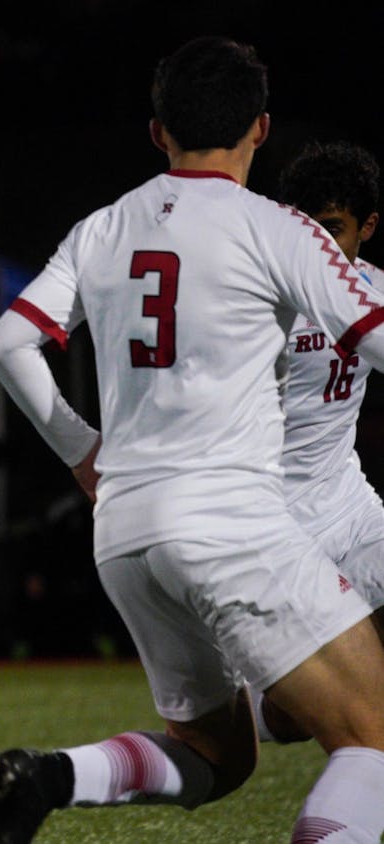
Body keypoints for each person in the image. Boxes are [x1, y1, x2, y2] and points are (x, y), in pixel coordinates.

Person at [0, 37, 384, 843]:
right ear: (260, 129)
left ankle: (49, 776)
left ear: (158, 131)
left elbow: (7, 345)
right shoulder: (278, 228)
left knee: (214, 756)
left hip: (125, 533)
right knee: (372, 735)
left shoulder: (100, 228)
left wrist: (81, 452)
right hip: (230, 521)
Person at [249, 140, 383, 745]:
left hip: (351, 509)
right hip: (277, 527)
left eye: (333, 229)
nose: (318, 245)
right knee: (292, 722)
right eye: (308, 228)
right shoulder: (261, 300)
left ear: (367, 228)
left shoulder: (374, 290)